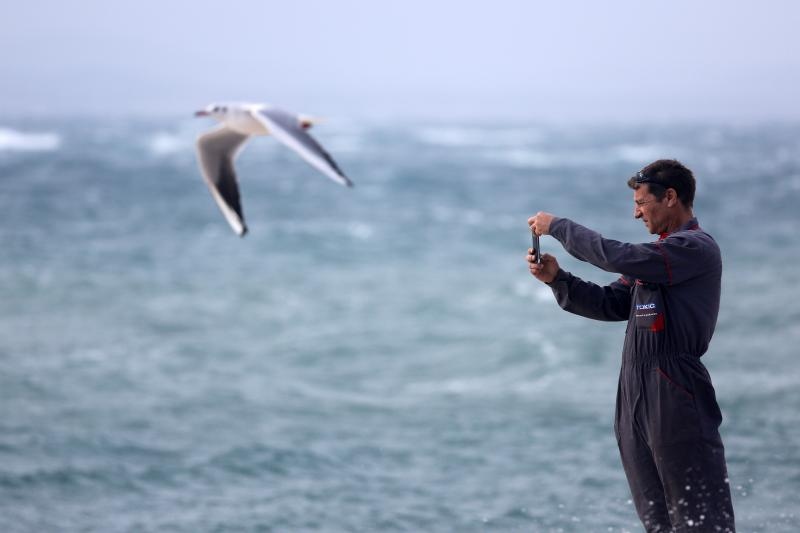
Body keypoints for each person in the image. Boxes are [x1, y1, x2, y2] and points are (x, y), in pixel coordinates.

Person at [526, 159, 735, 532]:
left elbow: (616, 255)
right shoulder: (656, 261)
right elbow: (611, 302)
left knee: (700, 519)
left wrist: (559, 227)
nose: (636, 212)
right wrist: (558, 279)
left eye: (641, 202)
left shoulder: (692, 249)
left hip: (675, 389)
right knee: (658, 521)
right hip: (634, 392)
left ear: (670, 197)